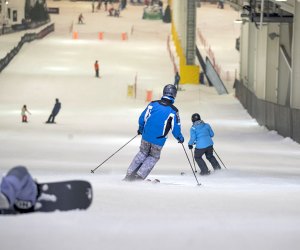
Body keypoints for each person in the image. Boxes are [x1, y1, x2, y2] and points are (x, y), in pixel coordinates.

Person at [124, 84, 184, 181]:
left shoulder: (153, 104)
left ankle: (129, 174)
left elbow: (142, 117)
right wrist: (180, 138)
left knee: (142, 153)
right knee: (153, 156)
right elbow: (175, 128)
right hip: (158, 140)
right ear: (174, 95)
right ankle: (139, 176)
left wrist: (141, 128)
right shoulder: (173, 110)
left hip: (146, 136)